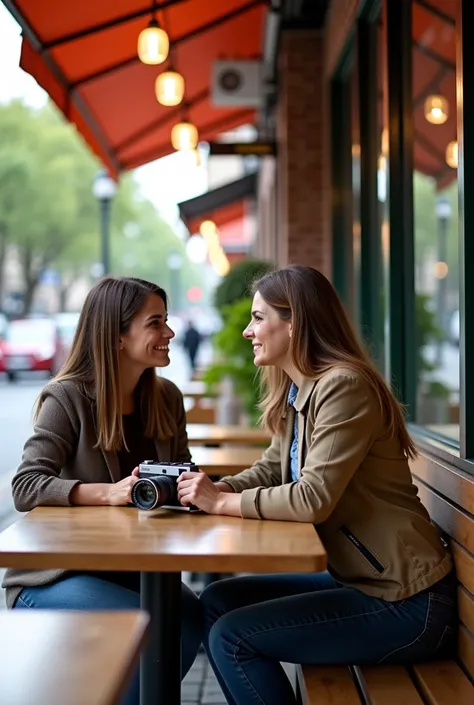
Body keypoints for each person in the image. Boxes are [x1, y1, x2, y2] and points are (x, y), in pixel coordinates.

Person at [175, 265, 457, 705]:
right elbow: (272, 468)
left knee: (234, 638)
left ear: (295, 323)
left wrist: (220, 504)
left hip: (409, 601)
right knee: (217, 600)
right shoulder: (299, 390)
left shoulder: (344, 387)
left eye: (258, 317)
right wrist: (214, 490)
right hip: (362, 581)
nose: (249, 331)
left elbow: (311, 500)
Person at [2, 276, 203, 705]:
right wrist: (108, 493)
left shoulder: (165, 397)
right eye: (156, 323)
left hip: (137, 569)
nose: (169, 333)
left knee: (188, 619)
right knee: (149, 627)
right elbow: (26, 485)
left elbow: (185, 473)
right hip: (56, 576)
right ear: (117, 335)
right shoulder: (67, 397)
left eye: (166, 321)